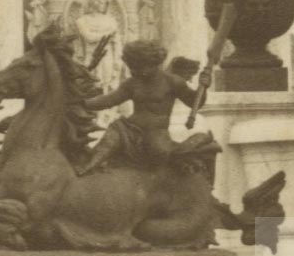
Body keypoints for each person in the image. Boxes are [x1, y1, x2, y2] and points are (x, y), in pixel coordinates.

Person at [77, 42, 221, 178]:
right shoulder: (132, 83)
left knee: (160, 152)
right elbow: (108, 100)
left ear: (154, 64)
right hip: (129, 128)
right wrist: (80, 103)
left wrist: (204, 88)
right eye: (132, 68)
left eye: (139, 68)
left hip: (156, 133)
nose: (135, 72)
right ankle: (86, 169)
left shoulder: (173, 82)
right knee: (108, 141)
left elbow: (195, 103)